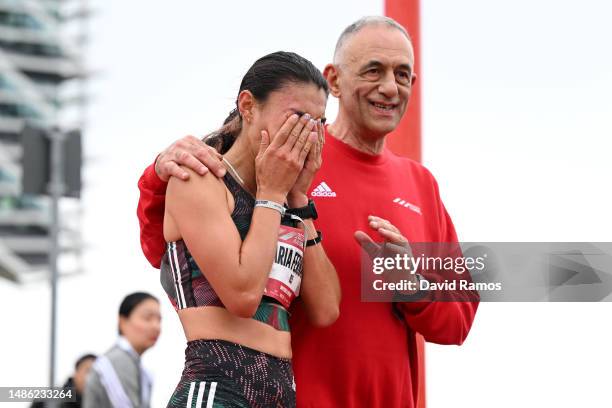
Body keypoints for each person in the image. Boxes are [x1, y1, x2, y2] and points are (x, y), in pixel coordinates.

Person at [137, 17, 478, 408]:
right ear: (333, 80)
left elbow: (458, 321)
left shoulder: (420, 184)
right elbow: (170, 251)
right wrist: (158, 171)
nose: (389, 87)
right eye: (373, 70)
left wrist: (412, 283)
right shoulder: (281, 155)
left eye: (403, 75)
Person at [156, 51, 339, 407]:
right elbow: (241, 295)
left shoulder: (287, 200)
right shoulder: (198, 179)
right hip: (217, 387)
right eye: (297, 117)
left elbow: (327, 309)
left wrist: (298, 197)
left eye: (318, 122)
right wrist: (272, 194)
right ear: (248, 106)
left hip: (280, 392)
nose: (306, 133)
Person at [83, 292, 161, 408]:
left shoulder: (139, 368)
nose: (156, 326)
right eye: (147, 318)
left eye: (159, 320)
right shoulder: (117, 361)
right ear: (122, 322)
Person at [31, 354, 96, 408]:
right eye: (88, 371)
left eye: (97, 374)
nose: (92, 377)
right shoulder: (46, 402)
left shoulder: (101, 402)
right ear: (76, 373)